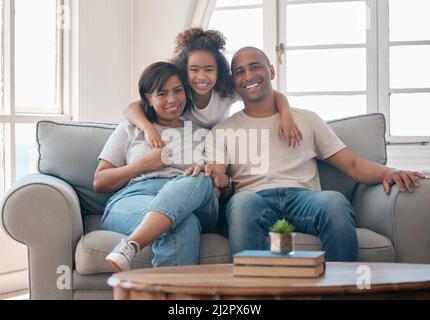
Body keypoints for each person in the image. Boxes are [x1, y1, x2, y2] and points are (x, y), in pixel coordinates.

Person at [201, 47, 425, 261]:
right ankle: (252, 296)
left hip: (304, 199)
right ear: (234, 81)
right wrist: (217, 180)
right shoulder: (222, 131)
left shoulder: (306, 119)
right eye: (239, 71)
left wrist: (389, 172)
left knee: (334, 201)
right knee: (242, 203)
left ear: (271, 70)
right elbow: (219, 177)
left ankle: (340, 289)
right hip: (254, 199)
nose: (248, 75)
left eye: (255, 66)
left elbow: (353, 164)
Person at [94, 62, 219, 272]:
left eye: (178, 91)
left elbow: (215, 187)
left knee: (199, 176)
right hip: (135, 198)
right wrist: (144, 164)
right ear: (148, 100)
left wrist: (208, 176)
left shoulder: (204, 135)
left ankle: (132, 244)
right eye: (162, 93)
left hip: (194, 201)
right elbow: (99, 182)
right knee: (181, 225)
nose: (172, 99)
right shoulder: (130, 129)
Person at [124, 28, 303, 149]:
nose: (201, 77)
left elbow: (274, 95)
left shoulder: (225, 91)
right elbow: (131, 108)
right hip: (189, 144)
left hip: (217, 145)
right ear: (184, 71)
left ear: (220, 71)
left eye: (209, 70)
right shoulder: (179, 92)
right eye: (194, 70)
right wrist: (148, 129)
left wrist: (286, 115)